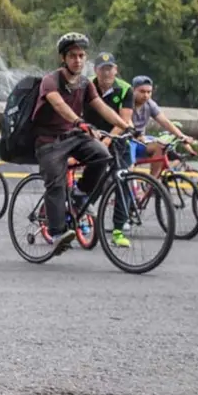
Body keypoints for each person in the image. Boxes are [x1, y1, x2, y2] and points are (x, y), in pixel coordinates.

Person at [33, 33, 137, 254]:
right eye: (72, 56)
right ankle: (57, 232)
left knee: (102, 154)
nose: (78, 60)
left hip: (71, 136)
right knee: (57, 183)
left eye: (81, 56)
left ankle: (80, 195)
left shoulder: (84, 83)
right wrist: (79, 121)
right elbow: (59, 105)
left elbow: (101, 106)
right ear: (63, 58)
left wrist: (125, 126)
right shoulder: (50, 80)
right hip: (49, 140)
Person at [128, 75, 194, 177]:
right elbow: (126, 120)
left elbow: (165, 122)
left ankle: (152, 183)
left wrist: (182, 137)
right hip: (126, 140)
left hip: (141, 140)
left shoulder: (150, 104)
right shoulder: (127, 102)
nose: (146, 95)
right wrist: (135, 134)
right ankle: (129, 183)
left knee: (161, 146)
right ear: (133, 90)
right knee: (129, 167)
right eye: (142, 91)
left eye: (149, 92)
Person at [84, 52, 134, 139]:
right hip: (88, 135)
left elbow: (124, 120)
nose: (106, 73)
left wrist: (107, 140)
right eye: (102, 69)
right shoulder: (85, 85)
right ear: (95, 70)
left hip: (115, 137)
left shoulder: (126, 89)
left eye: (109, 69)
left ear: (116, 69)